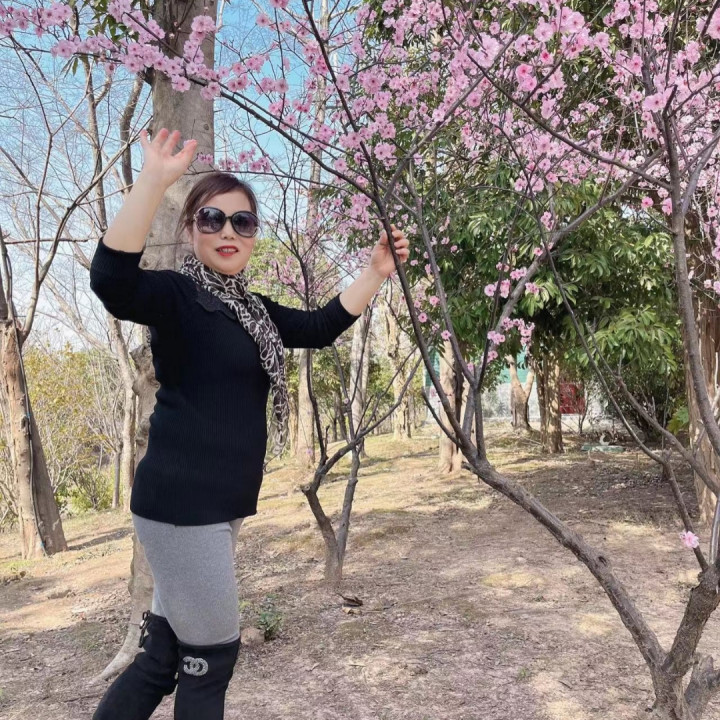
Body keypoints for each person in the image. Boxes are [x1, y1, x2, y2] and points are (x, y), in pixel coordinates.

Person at [88, 127, 410, 720]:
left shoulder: (251, 310)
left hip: (214, 508)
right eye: (212, 219)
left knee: (162, 658)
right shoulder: (179, 297)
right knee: (211, 660)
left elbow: (318, 327)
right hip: (182, 508)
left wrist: (375, 271)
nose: (228, 232)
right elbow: (112, 282)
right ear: (191, 230)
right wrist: (154, 181)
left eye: (242, 222)